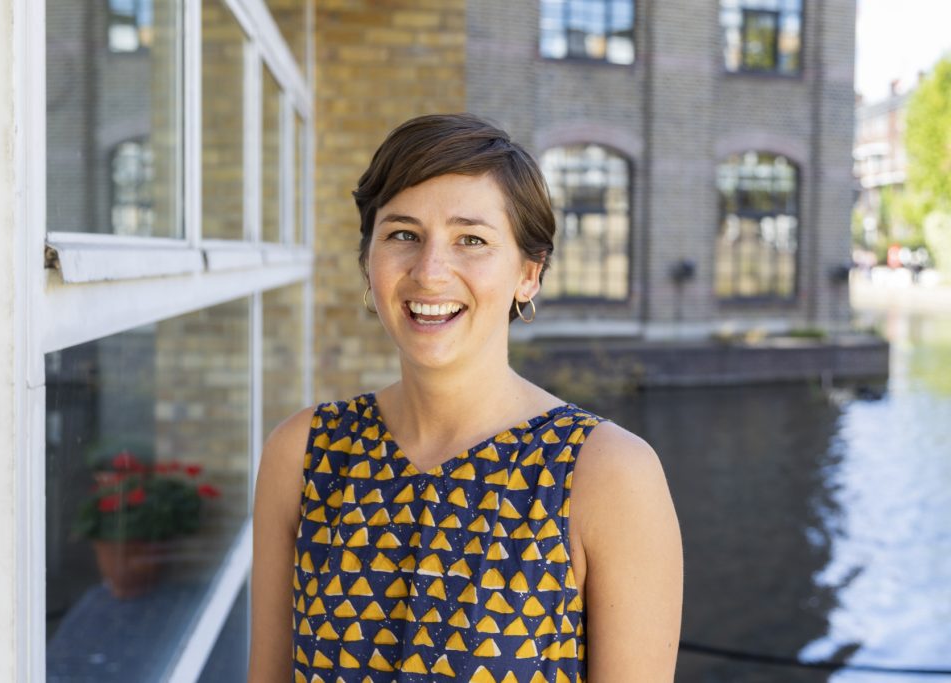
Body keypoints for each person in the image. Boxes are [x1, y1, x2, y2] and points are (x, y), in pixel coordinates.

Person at [249, 114, 683, 682]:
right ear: (367, 261)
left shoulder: (608, 474)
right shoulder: (303, 452)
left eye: (471, 240)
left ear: (529, 274)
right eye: (403, 235)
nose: (430, 272)